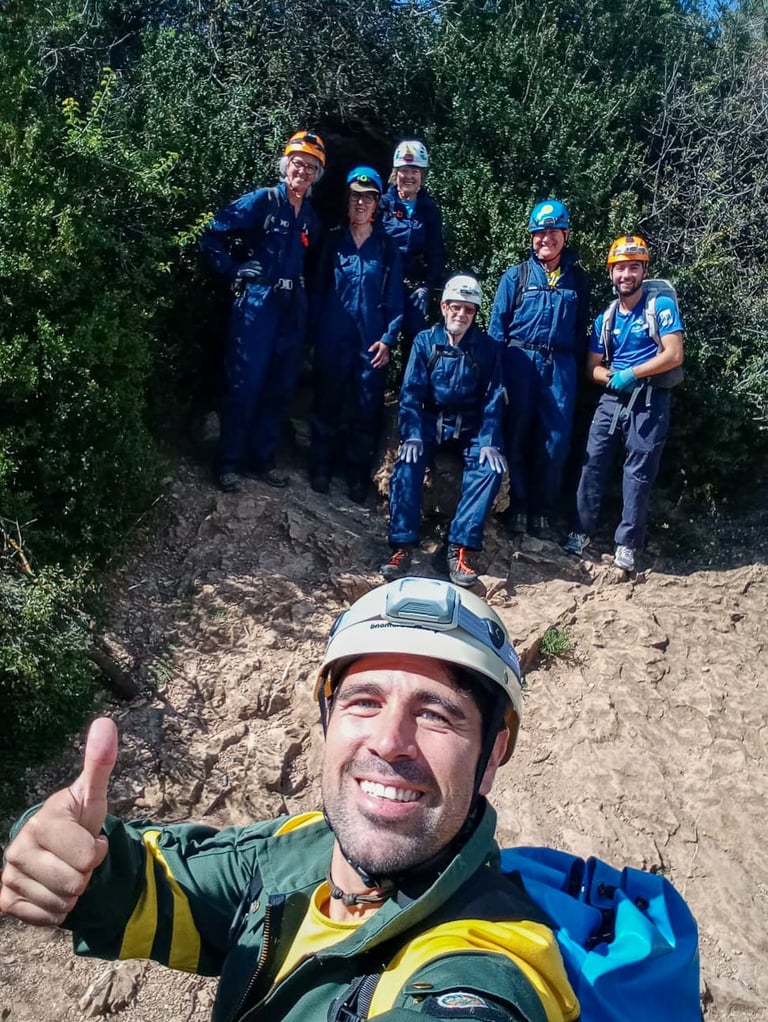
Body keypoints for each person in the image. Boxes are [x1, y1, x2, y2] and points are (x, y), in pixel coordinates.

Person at [0, 577, 579, 1022]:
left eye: (435, 713)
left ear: (491, 757)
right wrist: (72, 859)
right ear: (328, 722)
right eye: (364, 701)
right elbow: (160, 885)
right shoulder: (298, 849)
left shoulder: (494, 959)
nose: (388, 741)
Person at [199, 130, 325, 493]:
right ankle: (228, 463)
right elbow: (212, 232)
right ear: (286, 165)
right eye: (298, 163)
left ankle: (262, 458)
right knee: (245, 384)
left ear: (317, 175)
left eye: (311, 166)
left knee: (279, 385)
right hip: (258, 304)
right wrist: (233, 269)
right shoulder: (263, 200)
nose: (302, 171)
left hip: (291, 307)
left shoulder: (309, 217)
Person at [563, 235, 685, 572]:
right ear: (611, 273)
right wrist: (611, 378)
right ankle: (580, 531)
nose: (625, 275)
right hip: (612, 399)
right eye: (620, 269)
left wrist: (632, 372)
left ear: (644, 270)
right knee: (592, 464)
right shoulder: (607, 317)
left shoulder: (660, 307)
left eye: (633, 267)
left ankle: (627, 545)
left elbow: (674, 354)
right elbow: (593, 367)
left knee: (638, 474)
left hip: (649, 399)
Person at [381, 275, 506, 587]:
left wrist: (490, 439)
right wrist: (409, 432)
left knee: (489, 469)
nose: (460, 315)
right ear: (443, 307)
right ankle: (402, 546)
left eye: (468, 309)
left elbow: (494, 396)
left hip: (470, 424)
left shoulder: (486, 348)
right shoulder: (425, 341)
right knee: (407, 464)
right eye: (455, 307)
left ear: (475, 313)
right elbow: (410, 392)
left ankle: (458, 547)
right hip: (430, 420)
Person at [489, 200, 591, 538]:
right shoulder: (514, 276)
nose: (545, 238)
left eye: (552, 232)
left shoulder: (578, 281)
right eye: (539, 232)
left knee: (556, 441)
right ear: (531, 236)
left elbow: (579, 332)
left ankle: (542, 510)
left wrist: (574, 370)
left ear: (565, 234)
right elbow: (496, 330)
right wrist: (497, 375)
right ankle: (517, 507)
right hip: (519, 362)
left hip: (560, 366)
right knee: (516, 434)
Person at [309, 166, 403, 504]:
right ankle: (320, 466)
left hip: (371, 341)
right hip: (333, 337)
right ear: (347, 199)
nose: (361, 202)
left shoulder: (388, 248)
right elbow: (318, 291)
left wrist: (389, 338)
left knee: (366, 410)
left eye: (368, 197)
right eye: (355, 196)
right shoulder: (333, 240)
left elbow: (395, 298)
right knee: (327, 403)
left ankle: (355, 474)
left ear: (378, 203)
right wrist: (315, 334)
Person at [379, 140, 446, 371]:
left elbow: (437, 252)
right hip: (383, 286)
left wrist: (427, 287)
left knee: (415, 349)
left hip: (413, 289)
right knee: (378, 343)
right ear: (395, 173)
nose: (409, 176)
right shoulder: (382, 205)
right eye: (404, 171)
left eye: (414, 171)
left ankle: (409, 401)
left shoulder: (429, 209)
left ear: (422, 175)